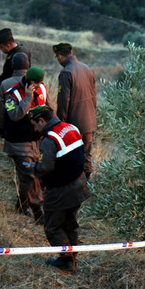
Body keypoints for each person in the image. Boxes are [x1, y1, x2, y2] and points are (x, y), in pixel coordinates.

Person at [27, 105, 92, 272]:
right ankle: (71, 258)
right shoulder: (70, 127)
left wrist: (32, 167)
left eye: (35, 124)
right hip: (79, 185)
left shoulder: (49, 139)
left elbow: (45, 168)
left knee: (53, 227)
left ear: (42, 121)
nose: (35, 129)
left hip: (60, 190)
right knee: (70, 223)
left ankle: (66, 259)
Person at [0, 53, 48, 224]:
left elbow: (47, 110)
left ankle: (20, 205)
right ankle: (38, 213)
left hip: (37, 142)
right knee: (30, 176)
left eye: (40, 84)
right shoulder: (11, 93)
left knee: (31, 176)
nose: (38, 86)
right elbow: (14, 115)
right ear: (29, 81)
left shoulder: (42, 89)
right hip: (18, 143)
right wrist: (27, 98)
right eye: (36, 84)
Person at [52, 42, 96, 179]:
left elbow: (63, 102)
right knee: (87, 154)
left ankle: (75, 186)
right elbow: (94, 97)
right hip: (89, 120)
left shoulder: (66, 72)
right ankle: (87, 184)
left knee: (73, 156)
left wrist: (60, 123)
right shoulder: (88, 69)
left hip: (73, 124)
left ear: (59, 56)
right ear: (71, 53)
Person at [0, 28, 31, 99]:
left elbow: (5, 76)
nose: (0, 49)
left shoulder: (15, 56)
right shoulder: (24, 50)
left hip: (16, 92)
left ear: (8, 46)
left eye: (1, 47)